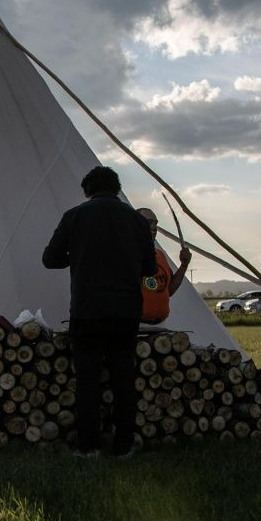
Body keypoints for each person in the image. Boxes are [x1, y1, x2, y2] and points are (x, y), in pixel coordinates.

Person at [42, 166, 155, 458]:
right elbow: (150, 269)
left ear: (87, 190)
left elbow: (50, 259)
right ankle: (123, 445)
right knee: (123, 378)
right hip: (127, 310)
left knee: (88, 380)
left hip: (88, 309)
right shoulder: (137, 221)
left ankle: (89, 445)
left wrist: (77, 256)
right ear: (117, 189)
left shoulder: (74, 216)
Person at [136, 208, 192, 323]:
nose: (153, 227)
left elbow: (168, 290)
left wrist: (184, 265)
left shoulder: (159, 255)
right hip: (137, 325)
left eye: (155, 223)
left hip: (160, 326)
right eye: (149, 222)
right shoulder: (127, 255)